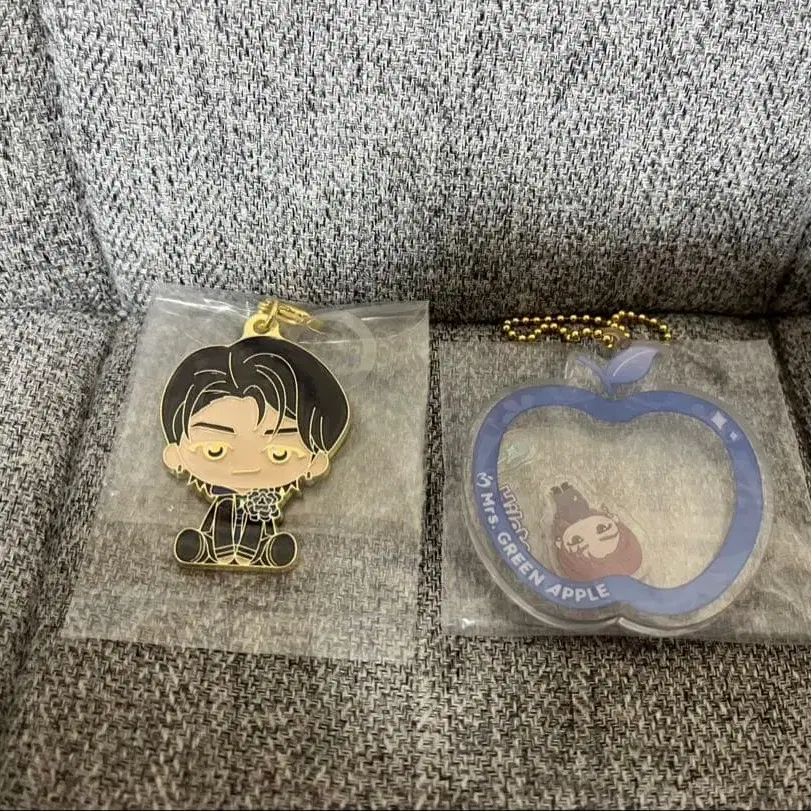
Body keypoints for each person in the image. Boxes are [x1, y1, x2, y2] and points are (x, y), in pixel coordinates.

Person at [160, 335, 349, 570]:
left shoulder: (265, 504)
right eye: (214, 450)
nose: (246, 467)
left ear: (317, 462)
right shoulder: (223, 500)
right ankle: (204, 546)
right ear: (174, 455)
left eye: (279, 453)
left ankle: (267, 550)